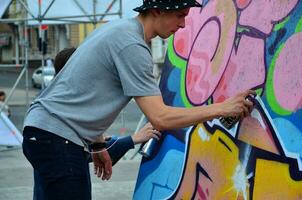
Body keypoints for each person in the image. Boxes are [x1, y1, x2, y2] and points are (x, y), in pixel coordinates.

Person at [22, 0, 254, 199]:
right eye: (179, 15)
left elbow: (81, 93)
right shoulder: (131, 45)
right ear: (157, 11)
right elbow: (160, 117)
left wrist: (98, 143)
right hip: (56, 137)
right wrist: (223, 108)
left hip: (48, 133)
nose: (183, 24)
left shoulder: (120, 30)